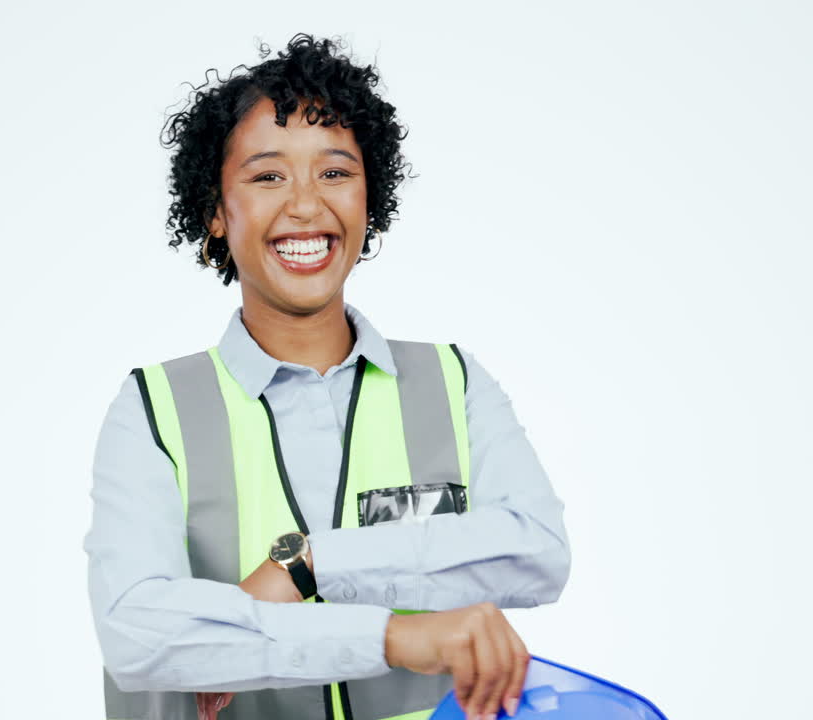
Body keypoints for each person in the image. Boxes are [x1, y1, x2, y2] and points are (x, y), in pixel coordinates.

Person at [83, 34, 571, 720]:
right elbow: (139, 631)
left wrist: (309, 564)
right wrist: (394, 634)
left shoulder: (451, 382)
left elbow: (538, 552)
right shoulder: (154, 410)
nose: (307, 206)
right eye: (267, 176)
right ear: (216, 213)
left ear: (371, 198)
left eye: (335, 173)